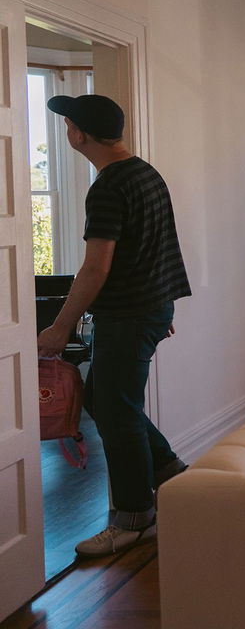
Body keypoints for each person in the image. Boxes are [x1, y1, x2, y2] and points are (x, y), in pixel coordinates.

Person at [36, 94, 191, 558]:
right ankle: (174, 477)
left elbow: (95, 268)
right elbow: (159, 248)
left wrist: (60, 327)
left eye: (67, 125)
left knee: (115, 409)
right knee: (108, 403)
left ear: (78, 133)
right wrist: (161, 309)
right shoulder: (145, 172)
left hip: (128, 316)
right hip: (145, 309)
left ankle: (134, 519)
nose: (67, 132)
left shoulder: (107, 187)